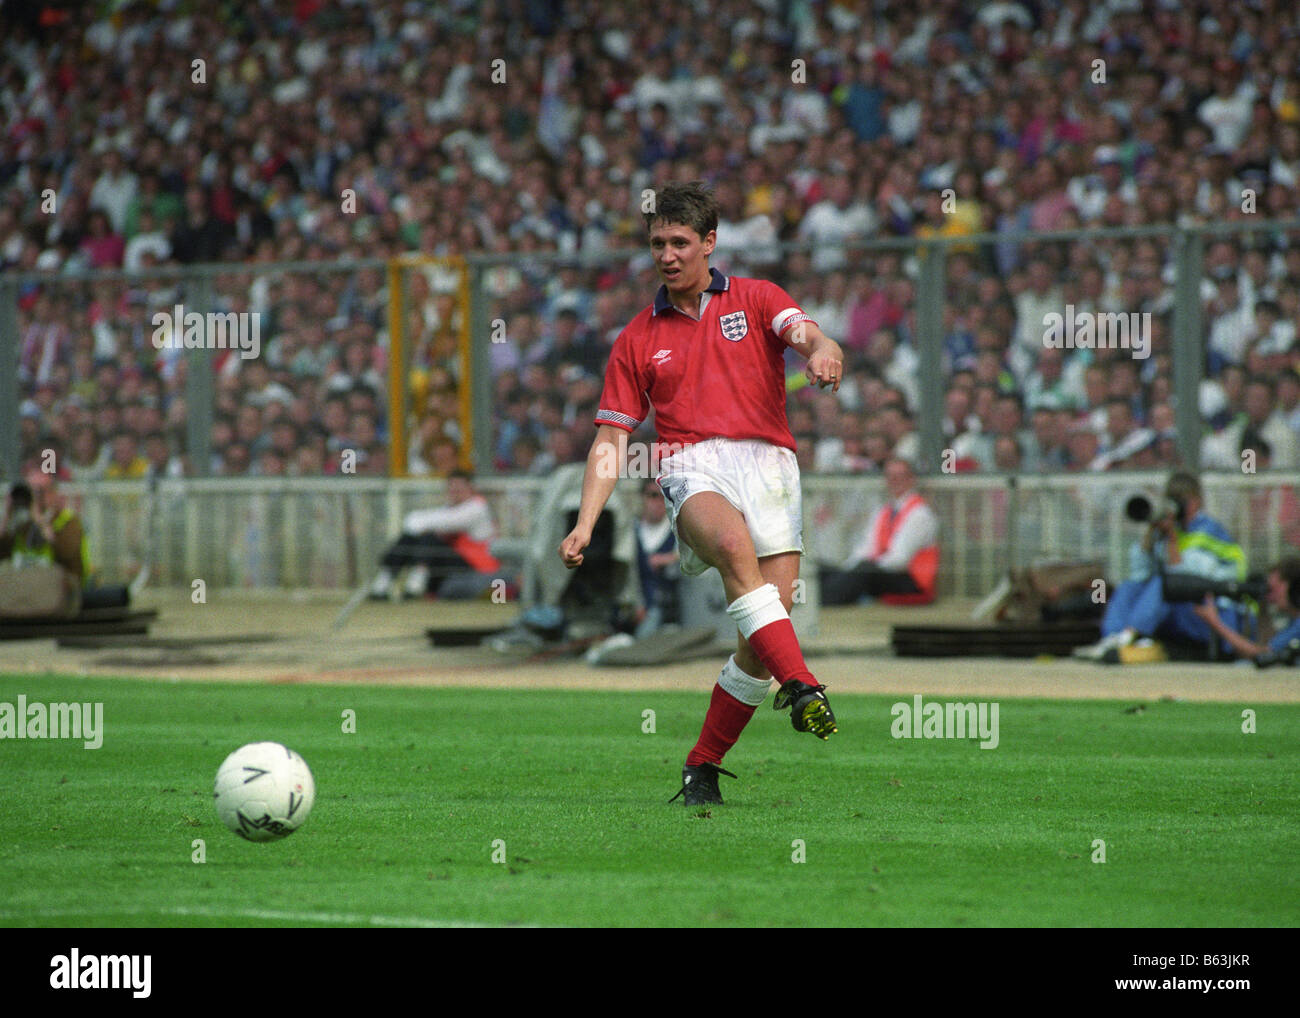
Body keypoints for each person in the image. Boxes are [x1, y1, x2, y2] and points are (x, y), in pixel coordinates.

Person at [558, 181, 843, 807]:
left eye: (680, 242)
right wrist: (586, 522)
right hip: (690, 463)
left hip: (770, 465)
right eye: (657, 243)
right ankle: (803, 687)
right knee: (731, 547)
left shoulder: (760, 298)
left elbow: (815, 338)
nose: (667, 254)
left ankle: (703, 765)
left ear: (709, 243)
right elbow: (611, 439)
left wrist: (822, 352)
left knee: (763, 634)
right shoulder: (636, 338)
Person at [1074, 472, 1247, 660]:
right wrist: (1151, 533)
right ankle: (1112, 638)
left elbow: (1184, 581)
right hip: (1181, 611)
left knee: (1163, 585)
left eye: (1182, 500)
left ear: (1197, 501)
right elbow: (1139, 574)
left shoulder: (1209, 531)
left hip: (1216, 615)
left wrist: (1172, 540)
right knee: (1129, 587)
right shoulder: (1172, 530)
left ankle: (1132, 636)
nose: (1176, 506)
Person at [818, 456, 940, 605]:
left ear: (911, 479)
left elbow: (899, 559)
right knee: (823, 569)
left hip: (911, 581)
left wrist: (863, 567)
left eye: (900, 476)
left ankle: (825, 602)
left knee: (864, 570)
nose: (894, 480)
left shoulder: (920, 513)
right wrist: (848, 569)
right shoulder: (884, 510)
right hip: (884, 571)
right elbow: (868, 547)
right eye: (890, 476)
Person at [369, 470, 502, 600]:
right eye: (452, 488)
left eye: (459, 488)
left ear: (470, 488)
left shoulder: (477, 507)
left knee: (428, 538)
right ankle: (386, 578)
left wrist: (417, 522)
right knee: (411, 538)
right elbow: (418, 524)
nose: (455, 492)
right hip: (452, 563)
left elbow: (444, 522)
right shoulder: (449, 508)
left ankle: (415, 578)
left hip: (476, 567)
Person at [1192, 556, 1300, 665]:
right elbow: (1269, 644)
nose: (1270, 597)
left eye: (1273, 589)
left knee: (1242, 665)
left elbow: (1262, 655)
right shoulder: (1293, 621)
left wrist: (1215, 622)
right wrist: (1262, 607)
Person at [633, 480, 679, 638]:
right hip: (636, 606)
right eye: (653, 496)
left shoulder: (677, 529)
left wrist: (670, 559)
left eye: (663, 497)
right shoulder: (632, 531)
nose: (658, 503)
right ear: (642, 497)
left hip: (671, 608)